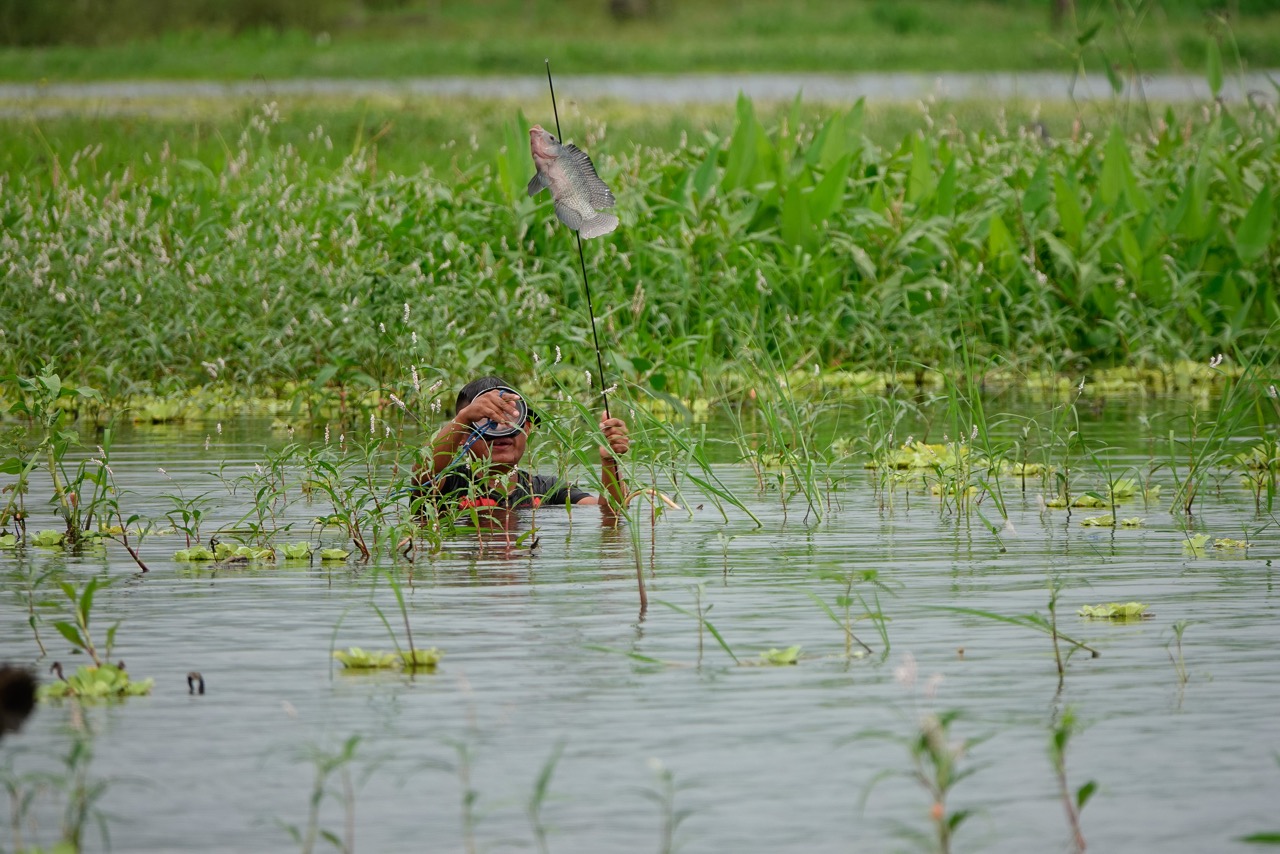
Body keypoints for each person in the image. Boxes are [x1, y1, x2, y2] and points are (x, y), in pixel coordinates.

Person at [415, 376, 629, 511]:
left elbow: (610, 513)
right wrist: (463, 418)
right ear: (462, 436)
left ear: (526, 429)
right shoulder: (449, 485)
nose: (502, 430)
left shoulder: (547, 489)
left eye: (511, 418)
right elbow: (421, 477)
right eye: (486, 422)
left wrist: (610, 461)